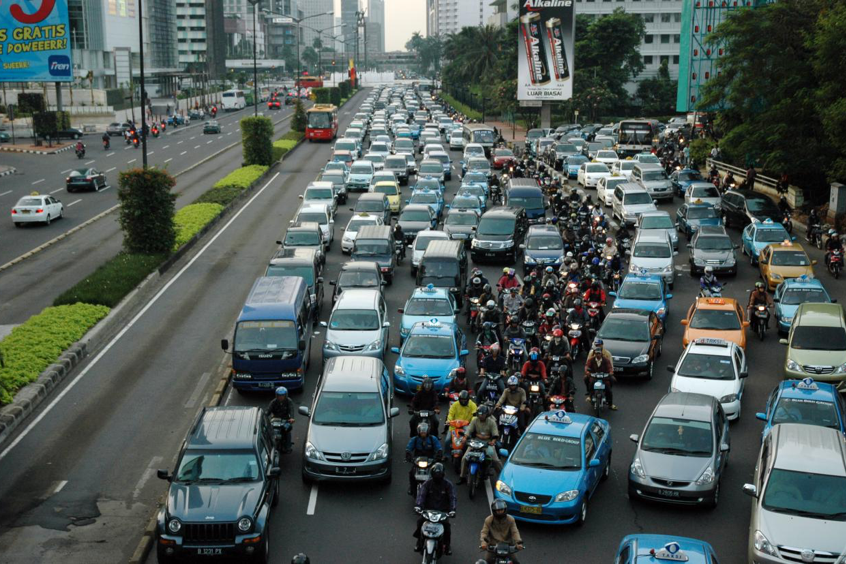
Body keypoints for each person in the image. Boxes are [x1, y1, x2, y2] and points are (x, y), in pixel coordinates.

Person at [413, 462, 456, 554]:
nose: (437, 476)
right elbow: (421, 495)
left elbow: (452, 498)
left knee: (447, 527)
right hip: (428, 511)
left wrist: (452, 510)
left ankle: (447, 545)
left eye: (439, 474)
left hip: (443, 512)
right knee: (420, 522)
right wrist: (418, 506)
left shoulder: (448, 485)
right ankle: (419, 541)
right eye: (436, 474)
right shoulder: (427, 484)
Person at [459, 406, 502, 484]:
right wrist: (465, 437)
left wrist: (493, 441)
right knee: (464, 458)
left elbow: (495, 434)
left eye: (483, 414)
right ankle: (462, 477)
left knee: (495, 460)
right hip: (475, 442)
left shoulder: (491, 422)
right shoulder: (475, 421)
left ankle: (502, 476)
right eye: (479, 414)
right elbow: (469, 430)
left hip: (487, 443)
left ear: (487, 414)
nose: (481, 416)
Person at [480, 499, 523, 564]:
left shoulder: (510, 519)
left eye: (501, 510)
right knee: (487, 561)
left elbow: (515, 532)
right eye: (498, 511)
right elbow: (484, 532)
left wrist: (518, 543)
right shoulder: (488, 520)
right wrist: (483, 543)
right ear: (494, 511)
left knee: (516, 562)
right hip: (493, 546)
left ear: (505, 509)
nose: (500, 512)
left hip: (508, 547)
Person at [406, 423, 444, 495]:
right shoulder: (415, 439)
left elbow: (438, 447)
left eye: (424, 432)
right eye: (421, 432)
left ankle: (439, 489)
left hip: (430, 459)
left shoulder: (433, 439)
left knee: (438, 473)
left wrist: (439, 454)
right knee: (411, 473)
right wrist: (408, 454)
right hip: (418, 460)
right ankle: (412, 488)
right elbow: (409, 448)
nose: (423, 433)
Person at [584, 340, 617, 410]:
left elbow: (610, 367)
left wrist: (610, 372)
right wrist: (587, 372)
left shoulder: (606, 358)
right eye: (596, 353)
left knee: (609, 388)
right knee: (590, 383)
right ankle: (590, 395)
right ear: (594, 353)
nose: (597, 355)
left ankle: (610, 404)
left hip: (604, 376)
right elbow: (587, 365)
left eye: (599, 353)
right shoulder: (591, 359)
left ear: (601, 354)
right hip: (594, 376)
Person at [267, 387, 295, 452]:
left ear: (285, 395)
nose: (281, 397)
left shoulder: (289, 401)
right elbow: (268, 411)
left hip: (285, 420)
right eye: (279, 395)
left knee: (287, 430)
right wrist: (264, 415)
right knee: (269, 431)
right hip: (275, 420)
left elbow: (291, 410)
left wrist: (292, 418)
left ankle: (288, 447)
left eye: (282, 395)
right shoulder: (273, 402)